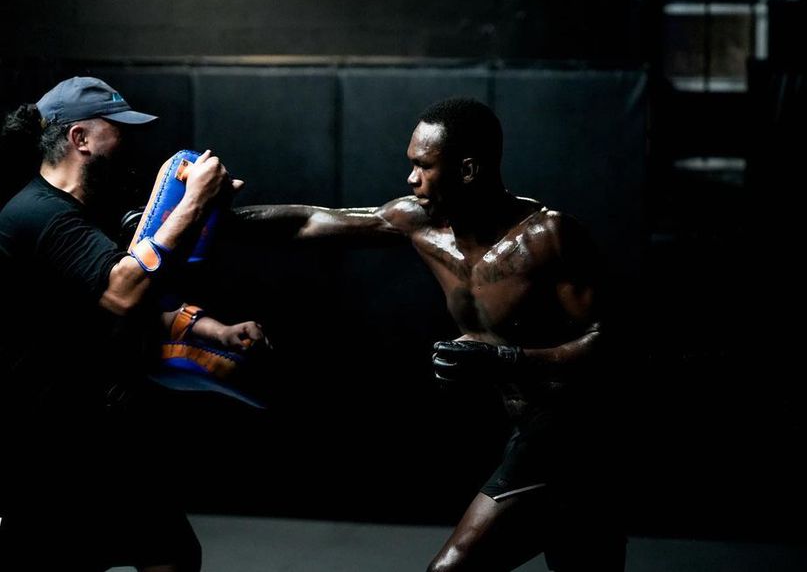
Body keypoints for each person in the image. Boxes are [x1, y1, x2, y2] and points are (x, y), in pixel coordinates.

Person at [237, 97, 627, 571]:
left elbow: (612, 343)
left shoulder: (549, 237)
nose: (411, 179)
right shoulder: (418, 222)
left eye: (424, 165)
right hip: (530, 433)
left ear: (466, 169)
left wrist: (509, 361)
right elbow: (309, 221)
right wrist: (200, 220)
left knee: (450, 570)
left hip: (575, 429)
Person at [0, 76, 268, 571]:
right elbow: (123, 293)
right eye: (116, 128)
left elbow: (121, 308)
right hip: (48, 443)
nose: (129, 141)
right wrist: (194, 202)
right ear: (79, 138)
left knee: (170, 554)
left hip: (99, 432)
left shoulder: (87, 213)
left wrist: (212, 331)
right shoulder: (36, 215)